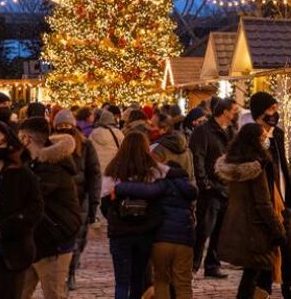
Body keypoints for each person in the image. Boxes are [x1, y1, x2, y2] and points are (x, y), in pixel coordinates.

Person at [216, 123, 287, 299]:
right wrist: (277, 228)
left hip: (237, 223)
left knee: (251, 273)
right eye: (262, 139)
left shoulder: (234, 162)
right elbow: (263, 203)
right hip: (255, 227)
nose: (265, 142)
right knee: (255, 272)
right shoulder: (256, 168)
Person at [114, 155, 198, 299]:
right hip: (185, 241)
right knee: (183, 283)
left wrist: (119, 187)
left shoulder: (162, 185)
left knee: (161, 280)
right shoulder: (189, 189)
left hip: (161, 239)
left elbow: (143, 190)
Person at [0, 120, 42, 298]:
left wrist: (6, 227)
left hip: (11, 256)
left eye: (1, 142)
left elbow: (35, 208)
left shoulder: (21, 174)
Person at [18, 117, 83, 299]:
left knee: (53, 294)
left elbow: (29, 196)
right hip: (34, 241)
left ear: (26, 139)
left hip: (53, 242)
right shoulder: (32, 162)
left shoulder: (51, 167)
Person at [101, 131, 166, 299]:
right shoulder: (153, 171)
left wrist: (118, 216)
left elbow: (105, 204)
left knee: (121, 281)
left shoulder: (113, 170)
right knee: (138, 279)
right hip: (145, 231)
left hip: (120, 233)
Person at [250, 91, 291, 299]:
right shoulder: (251, 136)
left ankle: (290, 293)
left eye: (275, 109)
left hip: (282, 204)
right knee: (263, 260)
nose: (275, 113)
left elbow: (283, 168)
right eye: (271, 109)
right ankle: (262, 293)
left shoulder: (277, 134)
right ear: (260, 112)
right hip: (264, 207)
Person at [53, 109, 102, 291]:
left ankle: (70, 272)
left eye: (68, 126)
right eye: (61, 126)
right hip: (57, 202)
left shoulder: (86, 146)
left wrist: (94, 204)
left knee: (77, 240)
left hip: (79, 200)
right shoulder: (50, 146)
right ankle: (60, 273)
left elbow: (94, 175)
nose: (65, 129)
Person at [190, 97, 237, 278]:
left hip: (227, 187)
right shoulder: (203, 131)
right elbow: (198, 158)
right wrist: (205, 184)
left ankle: (212, 264)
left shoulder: (233, 131)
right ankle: (193, 265)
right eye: (233, 110)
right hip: (210, 189)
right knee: (204, 229)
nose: (235, 113)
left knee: (220, 230)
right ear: (224, 111)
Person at [152, 114, 194, 179]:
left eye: (153, 125)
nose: (150, 128)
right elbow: (191, 175)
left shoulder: (156, 148)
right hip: (186, 187)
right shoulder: (185, 144)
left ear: (164, 129)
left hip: (166, 188)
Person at [90, 109, 125, 176]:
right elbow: (123, 149)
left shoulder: (94, 133)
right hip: (113, 167)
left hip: (97, 167)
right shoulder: (118, 133)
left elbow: (89, 150)